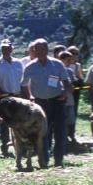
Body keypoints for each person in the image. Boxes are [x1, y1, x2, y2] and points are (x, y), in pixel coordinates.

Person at [21, 38, 71, 167]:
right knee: (42, 133)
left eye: (43, 49)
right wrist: (30, 96)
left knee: (60, 131)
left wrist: (65, 89)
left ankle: (59, 160)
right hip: (40, 104)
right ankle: (44, 160)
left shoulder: (57, 64)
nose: (40, 52)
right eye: (37, 49)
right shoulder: (30, 67)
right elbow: (23, 85)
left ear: (47, 50)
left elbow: (66, 80)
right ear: (34, 50)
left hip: (57, 102)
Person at [0, 38, 23, 157]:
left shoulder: (18, 63)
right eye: (3, 48)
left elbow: (22, 79)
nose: (5, 50)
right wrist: (3, 91)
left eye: (7, 48)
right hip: (5, 97)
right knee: (5, 123)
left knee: (18, 121)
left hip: (17, 96)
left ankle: (19, 146)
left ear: (11, 48)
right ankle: (5, 146)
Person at [59, 51, 77, 145]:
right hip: (61, 100)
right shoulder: (56, 70)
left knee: (70, 120)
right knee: (63, 120)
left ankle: (69, 137)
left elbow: (72, 85)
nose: (70, 62)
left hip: (70, 99)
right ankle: (63, 138)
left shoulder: (70, 71)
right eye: (68, 60)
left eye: (71, 60)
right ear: (61, 60)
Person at [67, 46, 83, 119]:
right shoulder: (65, 63)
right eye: (73, 53)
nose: (75, 55)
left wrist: (78, 76)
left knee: (74, 107)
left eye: (76, 54)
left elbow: (81, 78)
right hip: (66, 88)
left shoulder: (78, 65)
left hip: (75, 89)